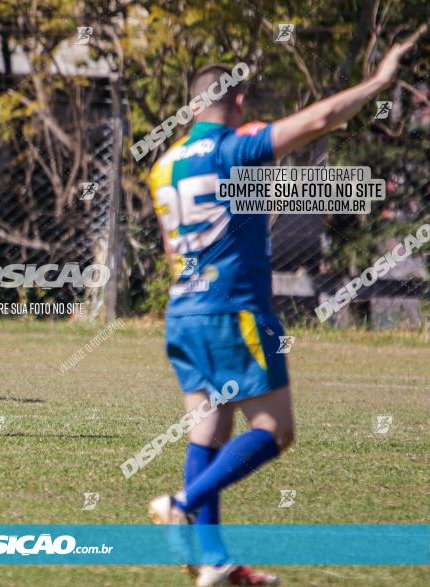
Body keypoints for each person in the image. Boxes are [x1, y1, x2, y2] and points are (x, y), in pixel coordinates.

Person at [145, 32, 422, 587]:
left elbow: (173, 249)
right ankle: (181, 501)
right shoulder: (237, 145)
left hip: (184, 313)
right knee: (275, 430)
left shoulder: (164, 165)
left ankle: (214, 563)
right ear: (238, 102)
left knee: (209, 430)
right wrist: (380, 81)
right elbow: (319, 119)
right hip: (234, 312)